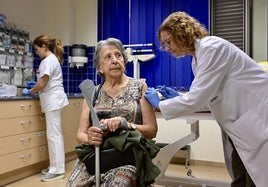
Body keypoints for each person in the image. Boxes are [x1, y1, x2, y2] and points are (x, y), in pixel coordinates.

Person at [144, 11, 268, 187]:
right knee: (242, 177)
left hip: (257, 118)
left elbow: (197, 98)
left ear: (181, 34)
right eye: (164, 45)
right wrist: (178, 97)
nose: (168, 48)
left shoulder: (211, 48)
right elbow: (205, 97)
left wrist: (160, 104)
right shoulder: (197, 59)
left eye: (168, 42)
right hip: (241, 125)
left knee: (253, 178)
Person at [67, 38, 159, 187]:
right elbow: (80, 135)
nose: (115, 60)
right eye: (108, 57)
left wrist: (126, 125)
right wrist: (90, 137)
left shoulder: (140, 87)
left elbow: (152, 130)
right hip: (97, 157)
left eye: (118, 55)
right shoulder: (92, 94)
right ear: (99, 67)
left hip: (127, 158)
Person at [25, 35, 69, 182]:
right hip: (54, 100)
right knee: (54, 134)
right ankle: (54, 166)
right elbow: (44, 81)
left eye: (37, 49)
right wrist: (37, 86)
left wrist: (31, 90)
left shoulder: (47, 61)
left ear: (44, 47)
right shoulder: (53, 60)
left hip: (53, 101)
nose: (37, 53)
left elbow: (43, 83)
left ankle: (57, 170)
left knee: (54, 135)